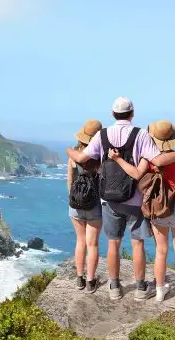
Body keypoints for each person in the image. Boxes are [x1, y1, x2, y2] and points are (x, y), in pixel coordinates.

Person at [66, 97, 175, 301]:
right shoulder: (141, 134)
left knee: (113, 243)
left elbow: (80, 158)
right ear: (132, 114)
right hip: (136, 199)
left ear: (113, 114)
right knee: (137, 243)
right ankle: (140, 288)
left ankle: (114, 286)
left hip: (109, 200)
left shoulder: (102, 135)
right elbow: (157, 160)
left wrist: (68, 150)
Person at [108, 120, 175, 301]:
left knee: (161, 250)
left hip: (157, 207)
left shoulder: (148, 158)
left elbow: (137, 175)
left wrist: (117, 159)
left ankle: (160, 291)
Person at [67, 120, 103, 294]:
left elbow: (70, 181)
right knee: (93, 244)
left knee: (80, 241)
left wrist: (73, 198)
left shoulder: (73, 155)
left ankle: (79, 279)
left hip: (75, 204)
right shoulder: (100, 156)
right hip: (95, 205)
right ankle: (90, 281)